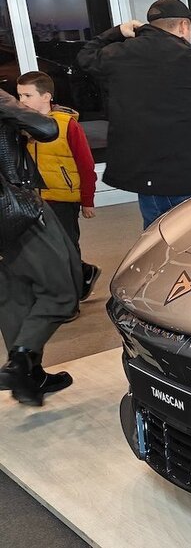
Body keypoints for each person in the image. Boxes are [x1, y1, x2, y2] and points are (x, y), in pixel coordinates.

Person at [77, 0, 191, 229]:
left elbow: (85, 56)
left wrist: (117, 32)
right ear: (183, 26)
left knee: (156, 238)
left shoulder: (121, 54)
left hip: (147, 178)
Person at [0, 89, 79, 406]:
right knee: (63, 289)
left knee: (13, 294)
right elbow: (46, 128)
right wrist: (13, 108)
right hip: (14, 208)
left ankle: (29, 379)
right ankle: (20, 361)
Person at [15, 71, 102, 303]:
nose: (22, 101)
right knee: (43, 247)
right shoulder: (21, 127)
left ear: (46, 97)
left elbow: (85, 164)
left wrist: (87, 200)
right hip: (33, 199)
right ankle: (80, 276)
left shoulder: (66, 125)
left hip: (62, 199)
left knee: (65, 247)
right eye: (19, 96)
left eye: (27, 95)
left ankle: (71, 296)